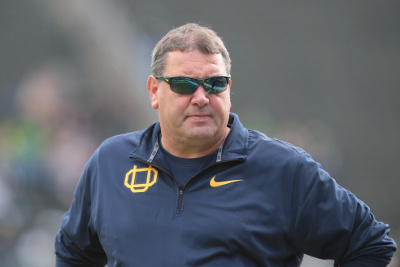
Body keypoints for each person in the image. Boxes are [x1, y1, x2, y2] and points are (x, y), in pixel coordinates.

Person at [54, 23, 397, 266]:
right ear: (155, 91)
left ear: (229, 89)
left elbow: (369, 244)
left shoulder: (282, 168)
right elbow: (74, 253)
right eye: (185, 84)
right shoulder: (110, 161)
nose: (202, 97)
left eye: (215, 84)